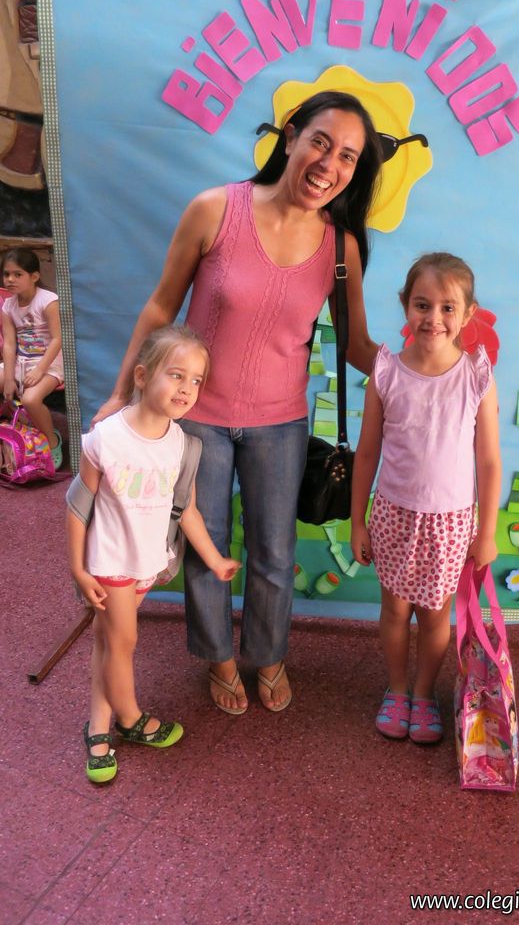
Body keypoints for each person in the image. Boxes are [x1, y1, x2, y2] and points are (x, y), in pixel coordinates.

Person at [93, 91, 383, 714]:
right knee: (207, 548)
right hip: (194, 420)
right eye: (321, 142)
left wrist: (431, 374)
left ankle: (268, 655)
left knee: (275, 553)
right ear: (291, 135)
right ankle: (219, 659)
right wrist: (121, 393)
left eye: (348, 157)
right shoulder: (215, 210)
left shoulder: (341, 249)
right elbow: (161, 305)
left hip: (281, 424)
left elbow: (357, 345)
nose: (330, 163)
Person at [68, 325, 241, 784]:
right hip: (110, 563)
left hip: (147, 563)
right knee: (123, 643)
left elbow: (187, 511)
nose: (187, 388)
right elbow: (77, 506)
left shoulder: (183, 445)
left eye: (196, 380)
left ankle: (98, 727)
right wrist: (78, 568)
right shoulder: (106, 438)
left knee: (108, 643)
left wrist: (214, 558)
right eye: (176, 375)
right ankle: (130, 719)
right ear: (142, 376)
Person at [351, 253, 502, 744]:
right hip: (393, 515)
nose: (433, 318)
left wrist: (487, 534)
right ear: (405, 305)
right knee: (395, 611)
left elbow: (489, 462)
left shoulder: (476, 377)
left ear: (468, 313)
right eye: (422, 305)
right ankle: (396, 691)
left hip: (451, 522)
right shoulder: (387, 373)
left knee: (436, 616)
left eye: (447, 308)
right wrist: (357, 521)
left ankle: (423, 694)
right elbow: (367, 451)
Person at [1, 248, 64, 468]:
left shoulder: (48, 301)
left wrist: (40, 370)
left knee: (30, 399)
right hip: (22, 361)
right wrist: (9, 378)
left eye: (17, 274)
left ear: (34, 276)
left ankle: (52, 440)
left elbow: (57, 339)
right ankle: (13, 421)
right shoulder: (8, 305)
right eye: (6, 274)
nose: (10, 279)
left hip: (50, 362)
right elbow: (9, 344)